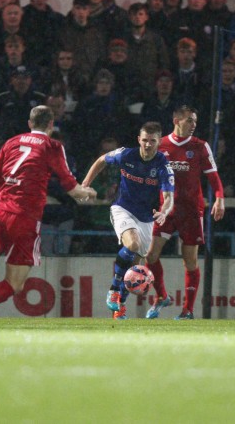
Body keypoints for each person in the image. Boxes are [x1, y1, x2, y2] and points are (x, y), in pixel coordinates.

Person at [0, 105, 96, 327]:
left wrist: (1, 199)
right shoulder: (52, 146)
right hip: (25, 218)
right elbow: (71, 187)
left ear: (29, 123)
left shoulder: (12, 142)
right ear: (51, 125)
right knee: (14, 284)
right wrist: (87, 192)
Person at [81, 121, 175, 320]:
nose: (148, 145)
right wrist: (86, 183)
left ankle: (119, 307)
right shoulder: (126, 155)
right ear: (138, 140)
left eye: (153, 141)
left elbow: (168, 198)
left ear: (159, 142)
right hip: (122, 208)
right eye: (145, 140)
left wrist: (164, 211)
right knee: (132, 243)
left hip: (147, 218)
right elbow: (101, 160)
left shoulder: (163, 166)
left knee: (134, 267)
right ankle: (113, 290)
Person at [143, 106, 225, 320]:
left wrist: (219, 198)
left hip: (191, 211)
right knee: (150, 256)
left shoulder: (200, 146)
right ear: (176, 120)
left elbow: (213, 176)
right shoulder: (160, 145)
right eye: (189, 120)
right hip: (166, 210)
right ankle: (161, 296)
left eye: (195, 121)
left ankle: (187, 310)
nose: (193, 124)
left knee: (189, 261)